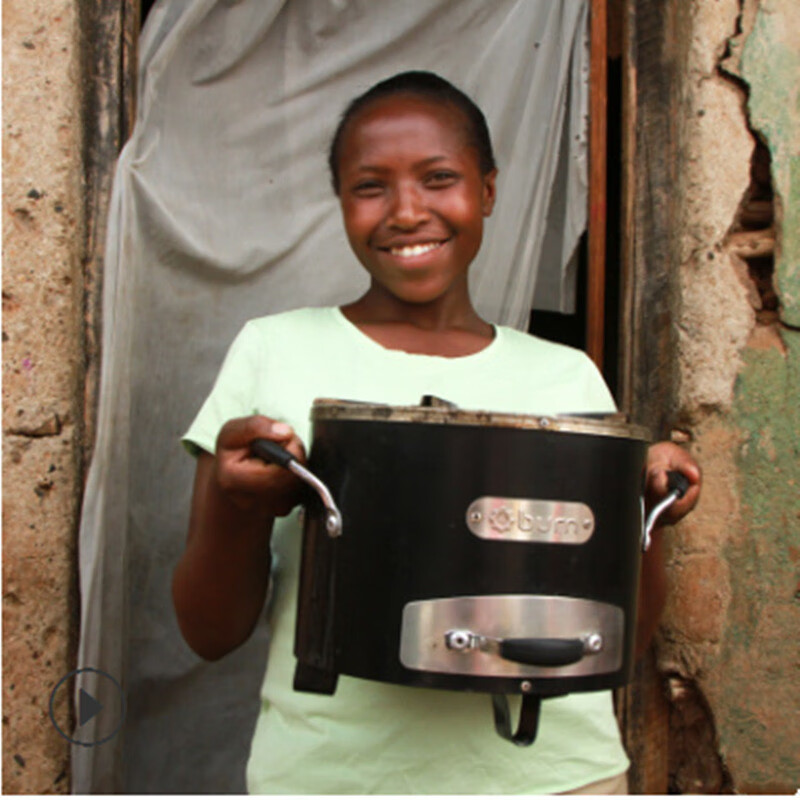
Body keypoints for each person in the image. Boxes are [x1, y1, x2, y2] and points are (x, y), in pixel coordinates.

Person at [173, 71, 701, 794]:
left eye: (438, 178)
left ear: (487, 190)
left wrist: (649, 507)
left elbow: (617, 644)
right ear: (340, 202)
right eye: (370, 187)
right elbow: (208, 633)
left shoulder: (566, 377)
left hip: (556, 778)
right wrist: (237, 507)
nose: (405, 211)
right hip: (337, 778)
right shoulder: (274, 351)